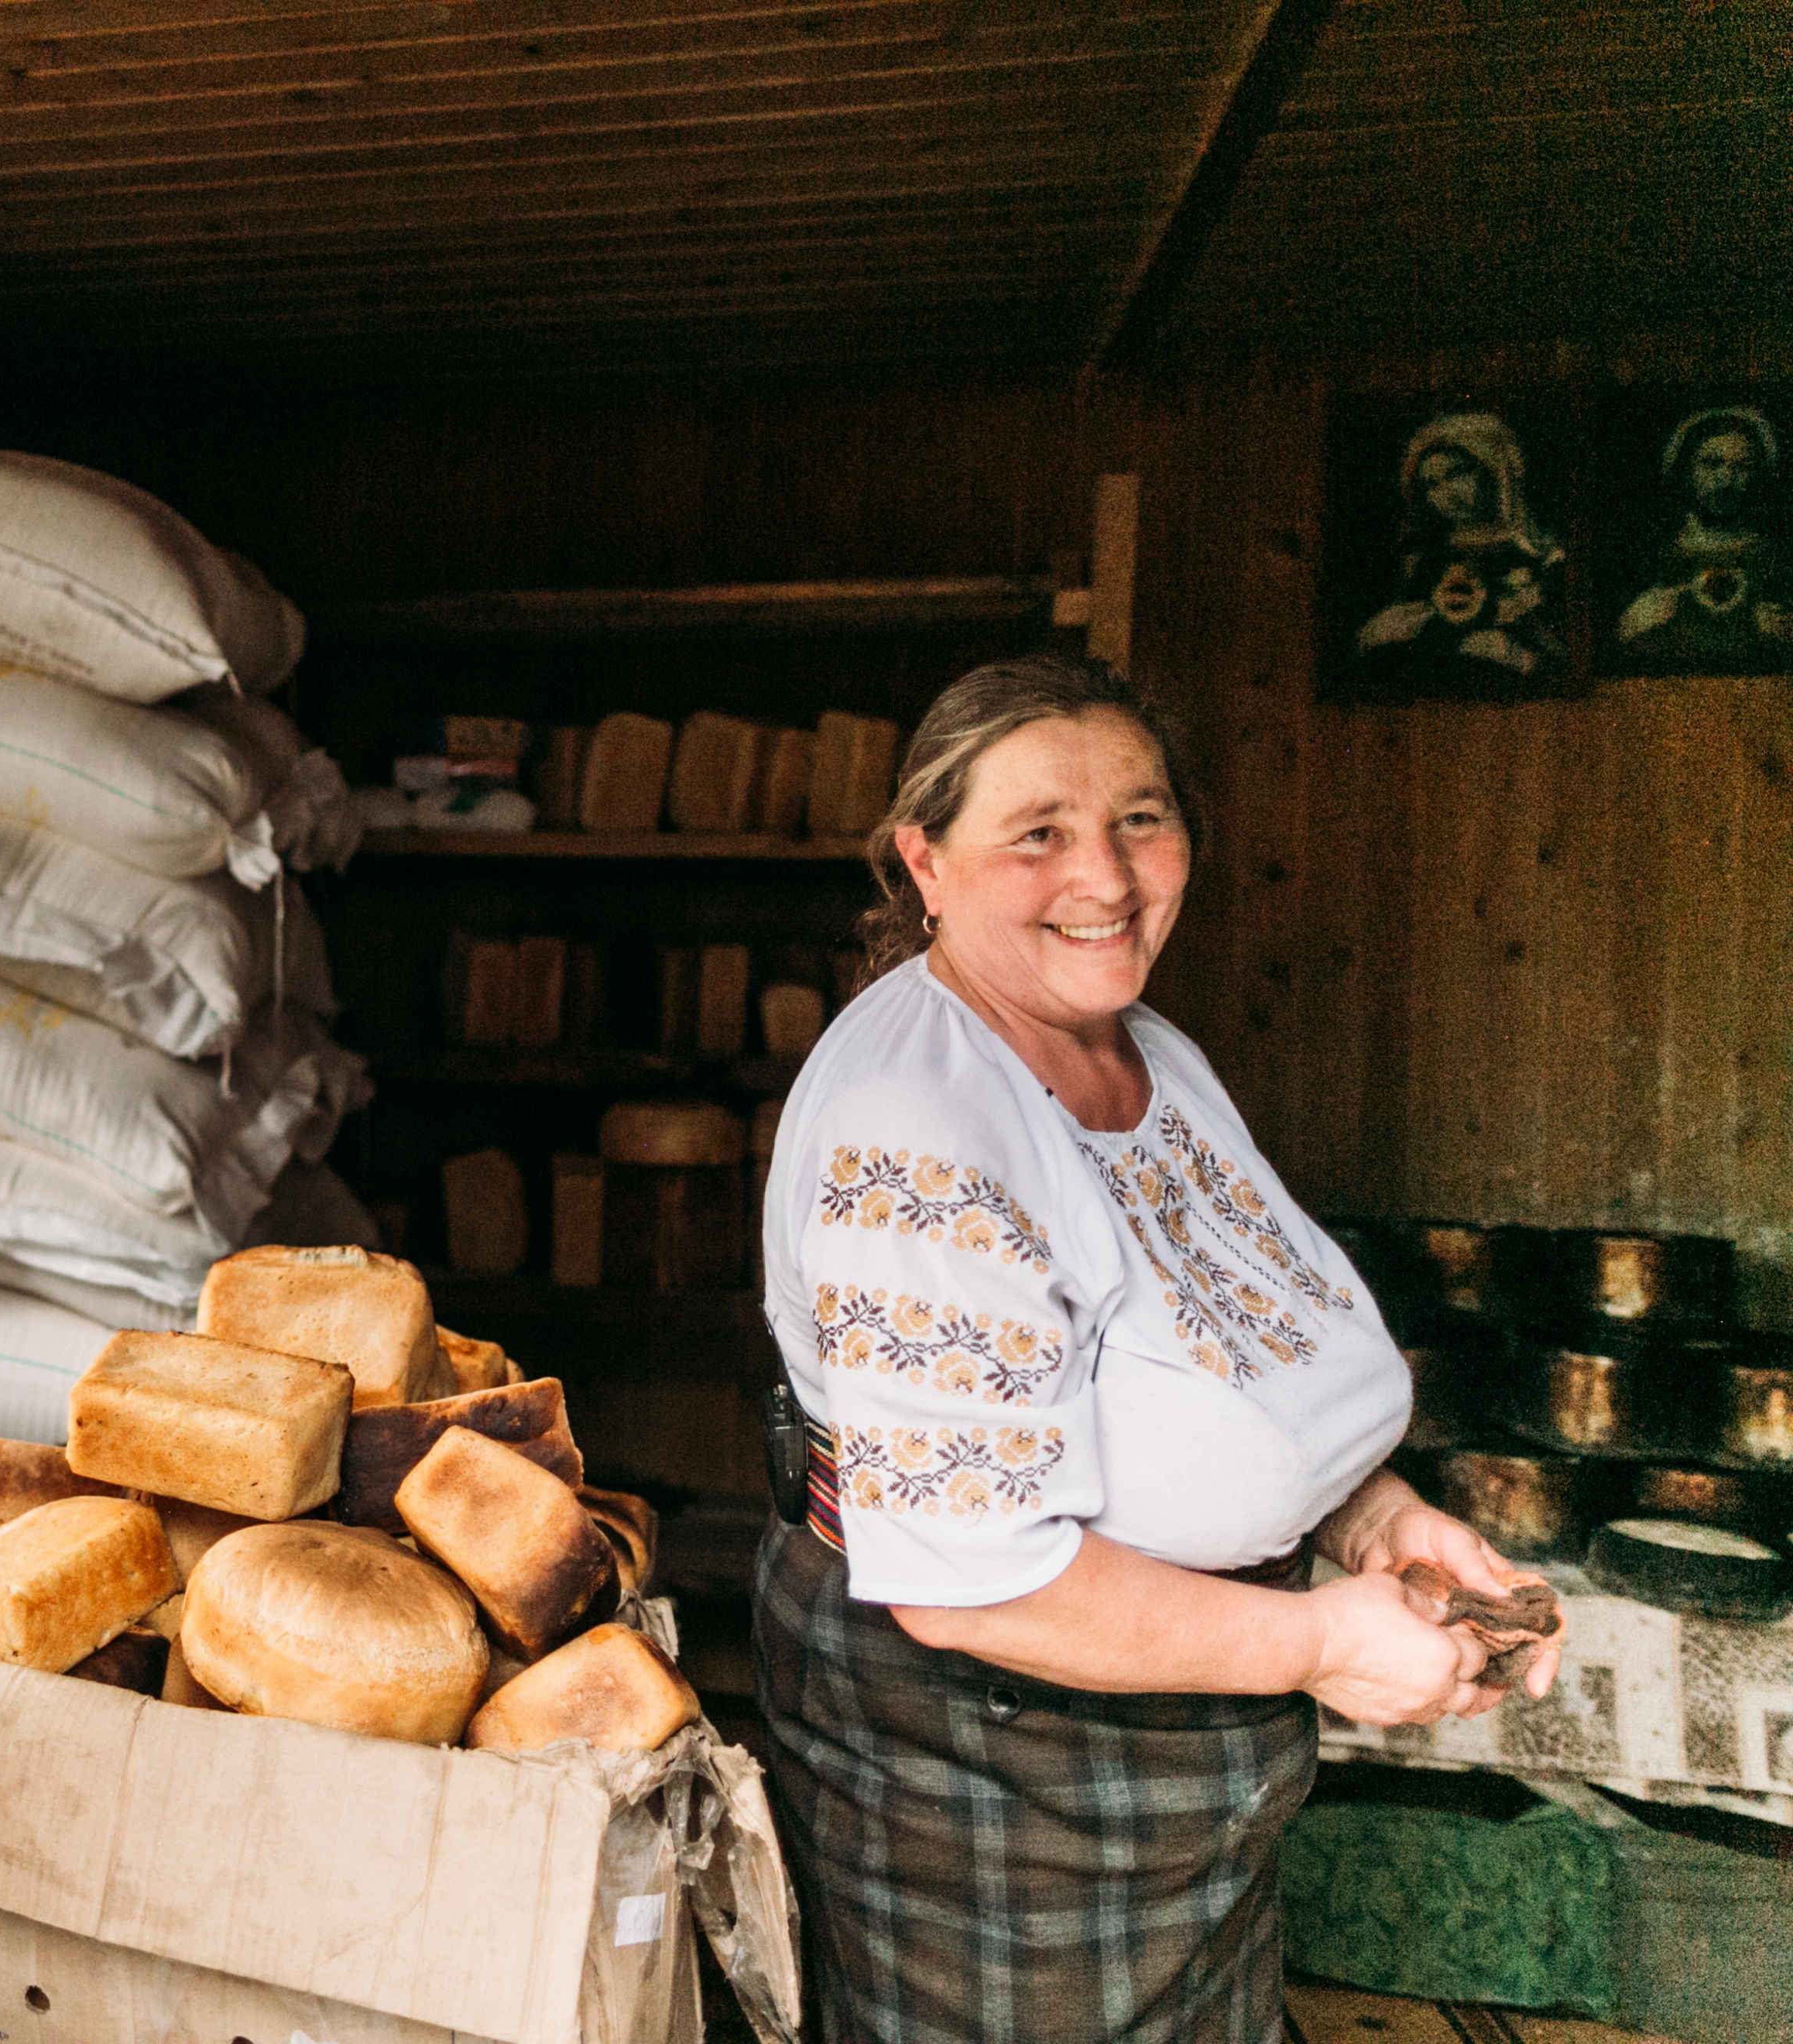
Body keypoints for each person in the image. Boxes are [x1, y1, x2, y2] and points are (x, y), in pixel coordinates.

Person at [750, 655, 1558, 2044]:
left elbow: (1223, 1356)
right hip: (999, 1757)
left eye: (1141, 817)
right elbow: (972, 1587)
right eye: (1039, 832)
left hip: (1175, 1740)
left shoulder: (1149, 1058)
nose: (1108, 879)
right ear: (924, 861)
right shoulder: (920, 1122)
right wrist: (1319, 1644)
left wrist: (1375, 1526)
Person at [1349, 412, 1566, 693]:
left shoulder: (1539, 553)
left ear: (1492, 469)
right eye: (1432, 484)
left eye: (1458, 473)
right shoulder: (1424, 558)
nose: (1447, 494)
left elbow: (1560, 657)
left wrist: (1515, 654)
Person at [1610, 404, 1791, 674]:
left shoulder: (1773, 556)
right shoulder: (1655, 556)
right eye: (1712, 463)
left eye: (1741, 466)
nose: (1726, 479)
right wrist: (1631, 627)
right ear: (1686, 470)